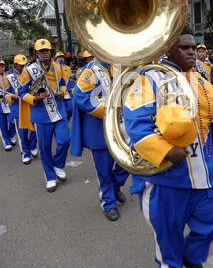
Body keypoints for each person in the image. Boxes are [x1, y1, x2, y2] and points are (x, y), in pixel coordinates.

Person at [123, 26, 213, 268]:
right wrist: (167, 151)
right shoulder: (148, 79)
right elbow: (135, 125)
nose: (193, 52)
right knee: (167, 231)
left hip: (207, 169)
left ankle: (192, 257)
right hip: (168, 178)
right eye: (185, 47)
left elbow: (209, 111)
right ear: (168, 50)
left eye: (194, 47)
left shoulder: (200, 76)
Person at [71, 56, 129, 221]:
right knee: (103, 171)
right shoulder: (91, 70)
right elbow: (79, 97)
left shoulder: (115, 67)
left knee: (127, 162)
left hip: (119, 126)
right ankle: (108, 203)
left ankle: (115, 185)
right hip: (98, 130)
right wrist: (106, 111)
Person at [18, 39, 71, 193]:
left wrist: (62, 91)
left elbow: (62, 83)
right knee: (45, 147)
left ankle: (58, 165)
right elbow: (21, 92)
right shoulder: (29, 70)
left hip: (58, 110)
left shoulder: (57, 66)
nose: (45, 52)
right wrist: (34, 98)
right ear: (36, 53)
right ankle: (50, 177)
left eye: (47, 49)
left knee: (64, 140)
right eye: (42, 50)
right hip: (41, 114)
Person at [5, 55, 38, 164]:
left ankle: (32, 146)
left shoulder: (30, 74)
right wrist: (12, 97)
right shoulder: (9, 77)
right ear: (15, 65)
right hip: (17, 108)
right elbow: (5, 94)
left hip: (30, 106)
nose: (23, 67)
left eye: (24, 65)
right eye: (20, 65)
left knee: (34, 130)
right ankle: (25, 153)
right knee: (22, 133)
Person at [0, 59, 16, 151]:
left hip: (10, 103)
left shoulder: (10, 76)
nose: (0, 68)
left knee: (13, 121)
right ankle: (7, 141)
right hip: (0, 105)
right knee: (3, 125)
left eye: (2, 66)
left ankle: (11, 134)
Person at [54, 52, 75, 122]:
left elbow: (70, 80)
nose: (61, 59)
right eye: (59, 57)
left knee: (70, 109)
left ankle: (66, 121)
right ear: (55, 59)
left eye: (62, 57)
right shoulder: (53, 68)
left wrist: (72, 90)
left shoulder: (68, 68)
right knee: (62, 110)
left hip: (67, 92)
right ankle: (63, 123)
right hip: (58, 92)